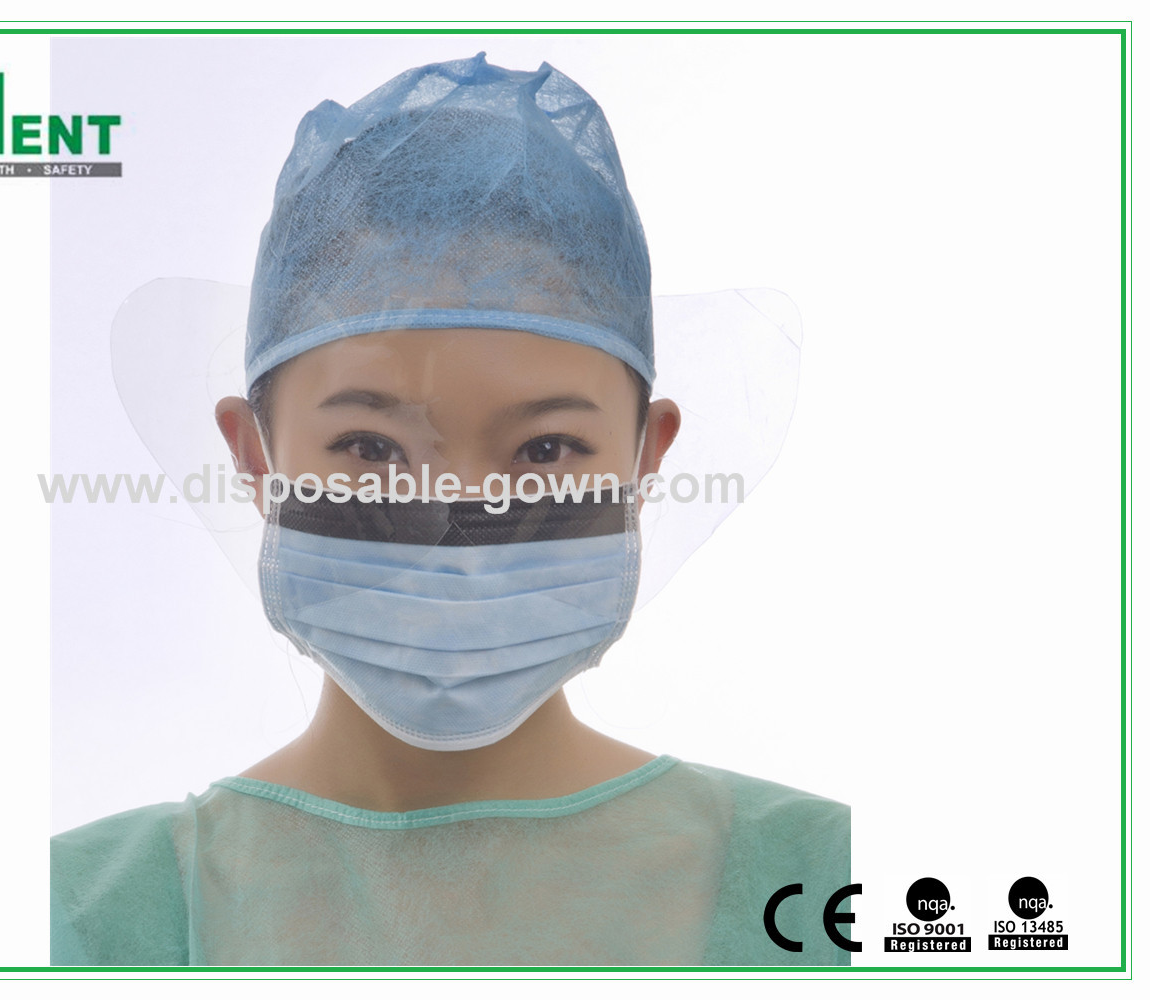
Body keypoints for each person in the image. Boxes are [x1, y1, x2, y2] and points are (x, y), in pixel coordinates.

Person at [51, 52, 850, 967]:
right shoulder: (78, 918)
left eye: (545, 450)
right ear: (256, 458)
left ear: (645, 458)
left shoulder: (836, 886)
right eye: (370, 448)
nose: (455, 528)